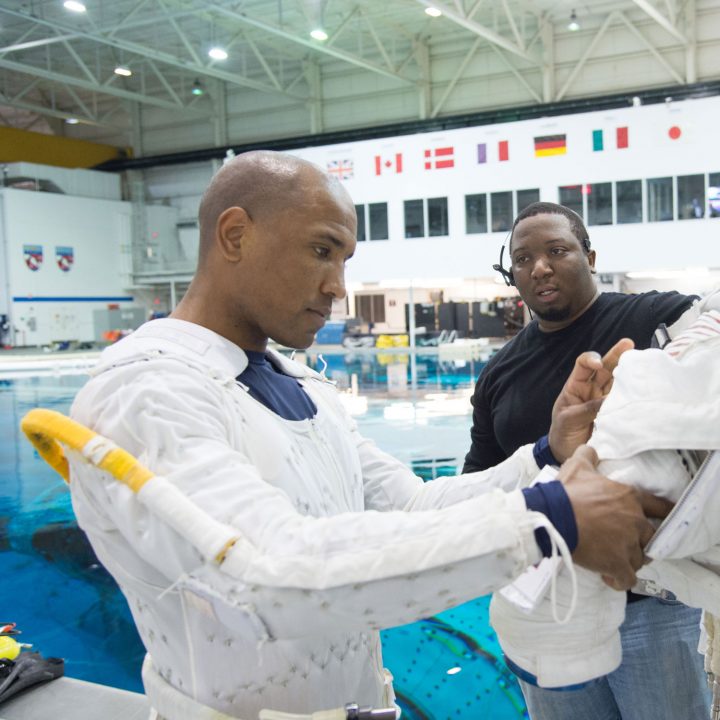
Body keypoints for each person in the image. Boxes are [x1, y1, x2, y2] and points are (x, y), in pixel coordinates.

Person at [69, 154, 665, 720]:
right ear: (234, 236)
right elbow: (264, 573)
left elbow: (414, 505)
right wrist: (551, 518)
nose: (338, 287)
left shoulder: (299, 385)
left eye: (345, 259)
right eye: (322, 251)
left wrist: (548, 454)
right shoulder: (147, 390)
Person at [464, 201, 708, 719]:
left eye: (557, 251)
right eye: (523, 258)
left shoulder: (649, 316)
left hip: (650, 604)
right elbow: (477, 483)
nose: (541, 267)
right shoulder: (498, 374)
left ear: (589, 255)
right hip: (551, 608)